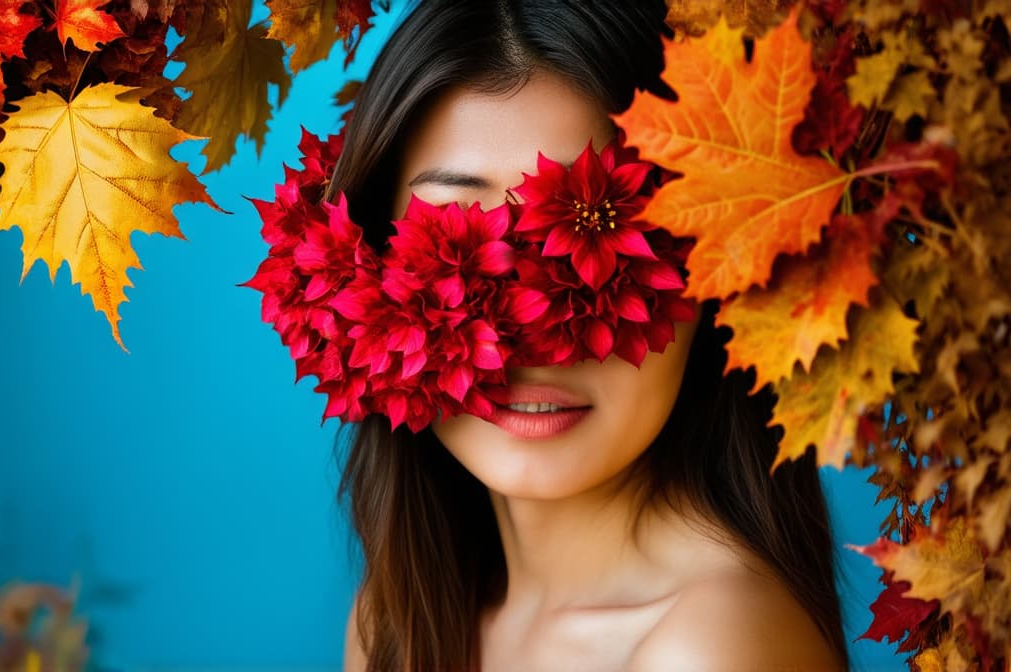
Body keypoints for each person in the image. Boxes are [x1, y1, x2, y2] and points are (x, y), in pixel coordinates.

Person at [330, 1, 850, 669]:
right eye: (456, 236)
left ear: (718, 276)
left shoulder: (710, 649)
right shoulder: (396, 620)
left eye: (596, 232)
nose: (531, 332)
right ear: (359, 277)